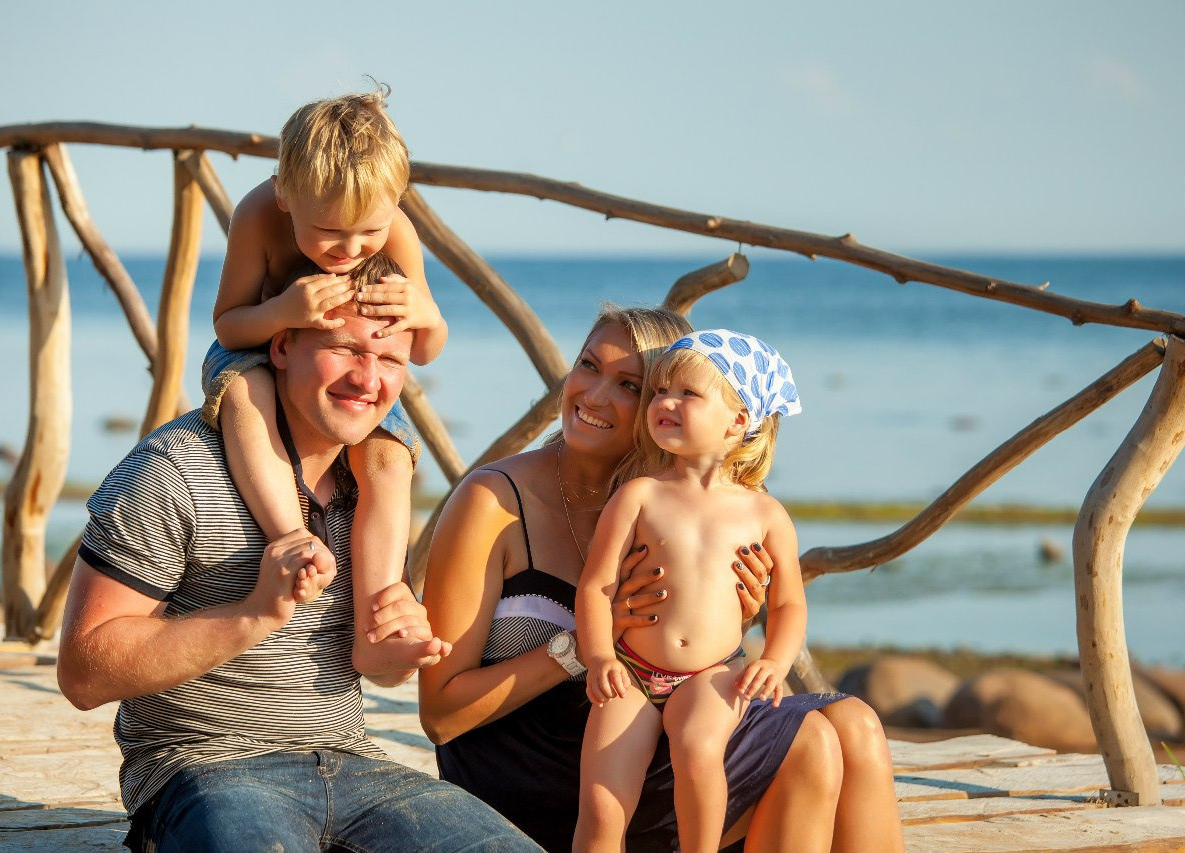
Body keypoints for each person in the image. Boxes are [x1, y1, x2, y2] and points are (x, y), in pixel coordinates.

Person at [56, 296, 536, 852]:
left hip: (360, 766)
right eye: (345, 349)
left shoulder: (372, 486)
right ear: (281, 346)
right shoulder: (174, 471)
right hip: (208, 772)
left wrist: (393, 655)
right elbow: (83, 673)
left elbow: (373, 669)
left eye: (390, 361)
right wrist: (253, 613)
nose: (367, 379)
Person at [416, 306, 904, 852]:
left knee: (854, 724)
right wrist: (578, 648)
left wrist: (733, 616)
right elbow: (440, 717)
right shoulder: (495, 501)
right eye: (588, 365)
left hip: (658, 751)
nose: (595, 396)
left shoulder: (690, 507)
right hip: (545, 779)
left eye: (630, 385)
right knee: (809, 742)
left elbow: (713, 653)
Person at [205, 89, 447, 667]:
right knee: (244, 392)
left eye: (368, 233)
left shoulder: (397, 232)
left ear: (395, 203)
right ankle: (291, 536)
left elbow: (427, 350)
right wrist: (282, 314)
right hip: (259, 353)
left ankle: (380, 615)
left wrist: (424, 316)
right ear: (286, 195)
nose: (351, 248)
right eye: (329, 233)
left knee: (391, 457)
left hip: (351, 365)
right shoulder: (258, 216)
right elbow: (229, 324)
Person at [574, 329, 807, 853]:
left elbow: (788, 602)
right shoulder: (639, 495)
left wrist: (774, 661)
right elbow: (596, 586)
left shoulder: (765, 513)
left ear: (739, 421)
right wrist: (597, 657)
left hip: (711, 675)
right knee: (602, 803)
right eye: (658, 391)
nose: (665, 402)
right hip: (631, 672)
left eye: (687, 393)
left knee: (700, 754)